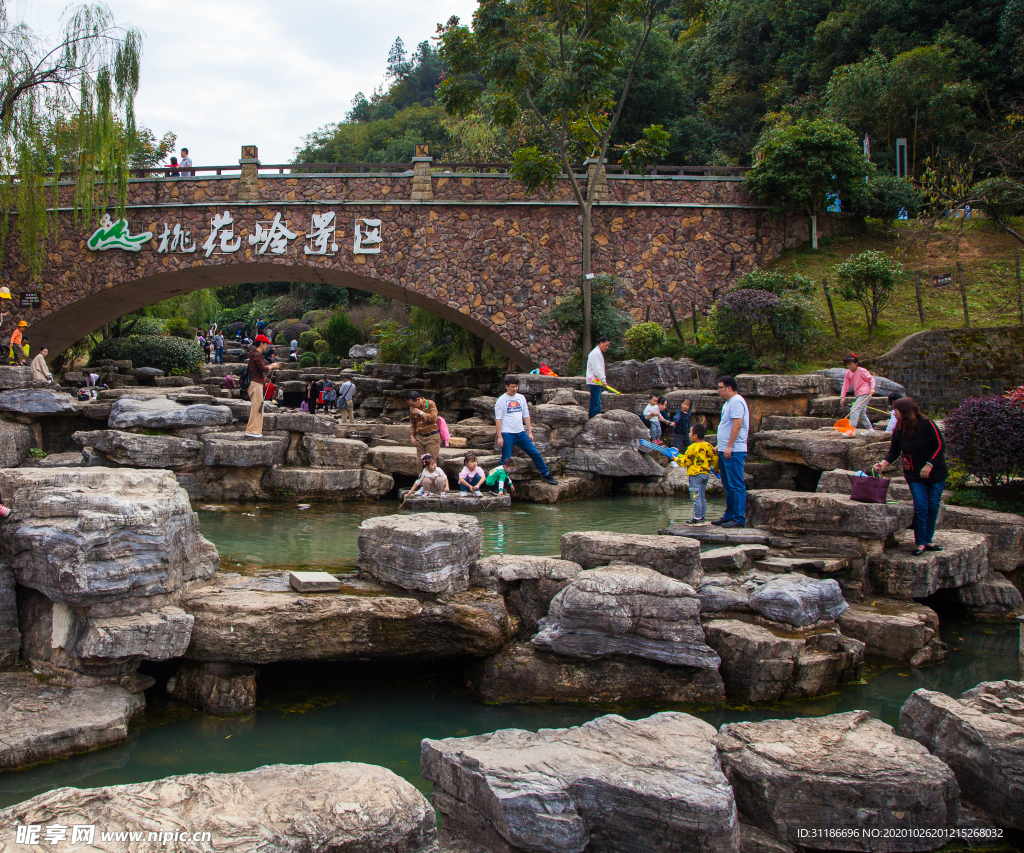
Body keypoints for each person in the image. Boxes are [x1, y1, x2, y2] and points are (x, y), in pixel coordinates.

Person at [873, 398, 947, 556]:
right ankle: (920, 543)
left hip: (936, 473)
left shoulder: (927, 424)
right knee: (921, 507)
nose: (894, 413)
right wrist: (884, 463)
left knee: (933, 506)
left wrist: (929, 464)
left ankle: (928, 540)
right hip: (914, 475)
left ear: (905, 410)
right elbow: (894, 451)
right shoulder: (899, 429)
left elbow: (940, 445)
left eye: (896, 410)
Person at [494, 376, 559, 485]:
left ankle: (546, 474)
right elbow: (498, 419)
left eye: (516, 386)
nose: (515, 389)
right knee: (506, 458)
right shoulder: (501, 400)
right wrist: (500, 436)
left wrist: (530, 432)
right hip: (507, 433)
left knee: (535, 453)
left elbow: (526, 415)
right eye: (512, 387)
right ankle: (500, 482)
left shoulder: (521, 398)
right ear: (507, 387)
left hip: (521, 432)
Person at [712, 375, 750, 529]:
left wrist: (729, 446)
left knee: (736, 484)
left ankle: (738, 518)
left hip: (734, 450)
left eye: (720, 387)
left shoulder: (736, 401)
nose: (718, 391)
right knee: (727, 485)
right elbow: (726, 426)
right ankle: (729, 515)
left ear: (728, 388)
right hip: (725, 449)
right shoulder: (728, 403)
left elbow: (737, 425)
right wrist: (720, 445)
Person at [679, 423, 719, 525]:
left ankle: (697, 518)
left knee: (695, 496)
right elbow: (715, 459)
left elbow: (685, 462)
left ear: (695, 435)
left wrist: (675, 459)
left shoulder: (692, 448)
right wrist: (716, 469)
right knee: (702, 496)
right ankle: (701, 517)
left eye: (690, 432)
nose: (689, 434)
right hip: (705, 475)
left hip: (695, 476)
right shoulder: (709, 446)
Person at [244, 334, 279, 437]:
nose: (266, 347)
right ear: (261, 343)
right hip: (256, 384)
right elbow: (263, 369)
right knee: (257, 407)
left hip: (254, 383)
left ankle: (253, 430)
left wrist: (270, 366)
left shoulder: (254, 355)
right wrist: (273, 365)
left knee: (256, 406)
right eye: (266, 344)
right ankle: (253, 431)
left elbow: (261, 367)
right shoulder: (258, 355)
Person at [839, 353, 876, 434]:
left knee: (854, 410)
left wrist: (872, 388)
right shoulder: (848, 373)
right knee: (861, 413)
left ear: (856, 363)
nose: (849, 366)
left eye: (851, 364)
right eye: (847, 365)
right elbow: (846, 384)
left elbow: (871, 379)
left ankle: (852, 430)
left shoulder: (862, 371)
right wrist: (842, 396)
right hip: (858, 394)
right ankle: (870, 429)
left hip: (865, 393)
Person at [408, 390, 442, 462]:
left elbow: (433, 418)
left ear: (418, 399)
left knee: (430, 463)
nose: (412, 407)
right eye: (410, 405)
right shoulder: (412, 409)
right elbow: (413, 423)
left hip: (432, 437)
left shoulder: (430, 403)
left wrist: (420, 413)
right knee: (420, 463)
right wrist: (412, 436)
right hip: (420, 438)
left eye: (413, 404)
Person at [585, 336, 611, 418]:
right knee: (595, 403)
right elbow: (597, 369)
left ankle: (596, 418)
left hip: (596, 382)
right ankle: (593, 419)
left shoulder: (597, 353)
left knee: (597, 402)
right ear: (601, 343)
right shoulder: (596, 353)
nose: (607, 348)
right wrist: (603, 380)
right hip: (595, 381)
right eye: (606, 345)